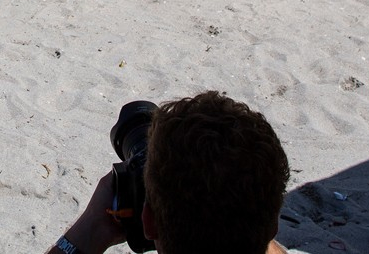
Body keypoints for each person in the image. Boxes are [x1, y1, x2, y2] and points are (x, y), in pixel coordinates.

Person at [47, 91, 291, 254]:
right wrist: (247, 220)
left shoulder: (140, 222)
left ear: (148, 222)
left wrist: (91, 228)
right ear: (273, 226)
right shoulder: (265, 229)